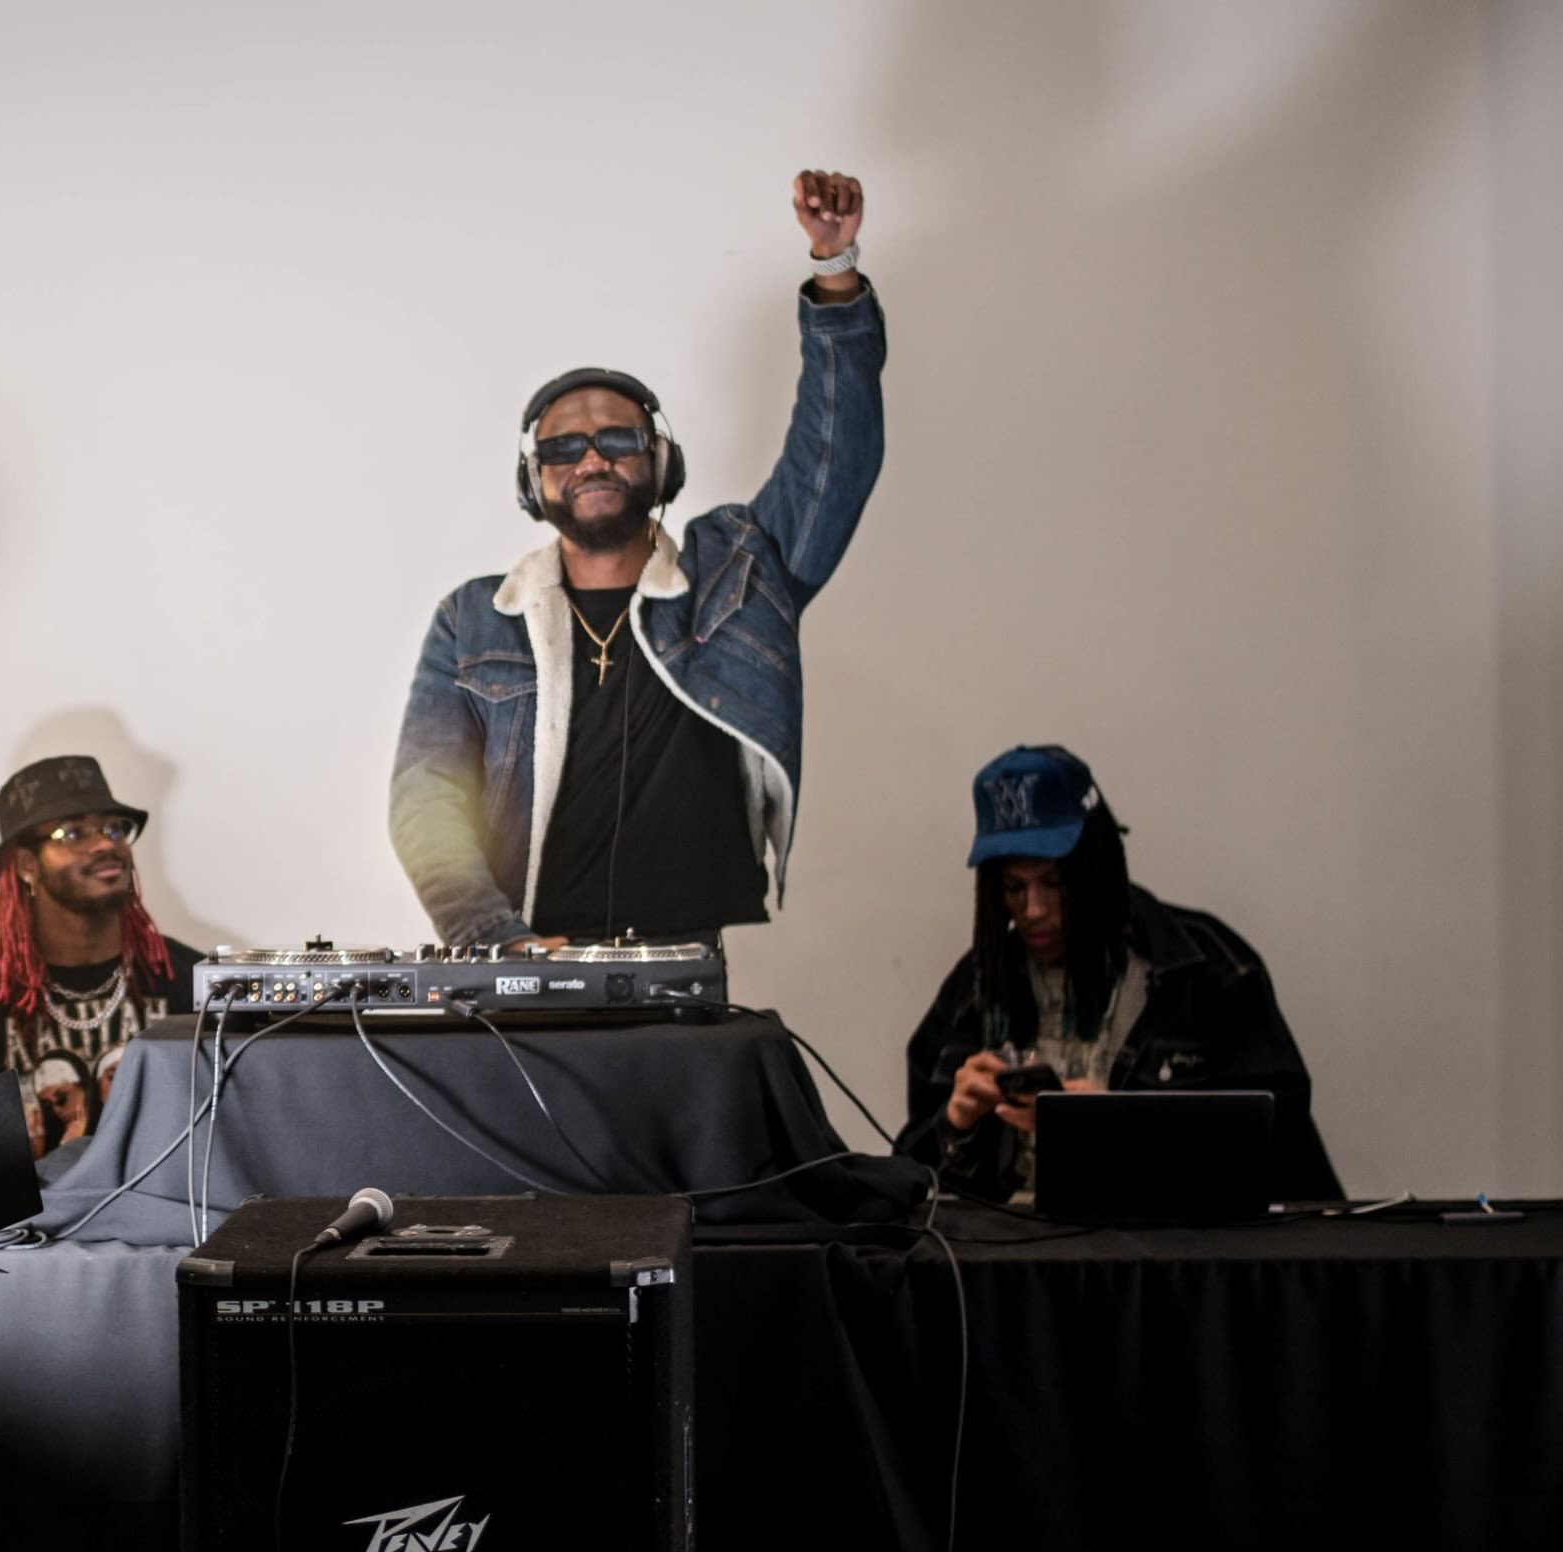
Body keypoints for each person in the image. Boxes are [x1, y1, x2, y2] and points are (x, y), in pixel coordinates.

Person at [390, 170, 886, 953]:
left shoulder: (736, 580)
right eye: (562, 447)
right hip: (525, 972)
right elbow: (425, 797)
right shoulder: (474, 619)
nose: (590, 458)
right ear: (534, 480)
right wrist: (493, 937)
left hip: (684, 963)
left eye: (616, 440)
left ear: (659, 466)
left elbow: (833, 464)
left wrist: (835, 275)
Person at [899, 743, 1342, 1204]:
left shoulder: (1205, 971)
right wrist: (956, 1129)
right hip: (1011, 1263)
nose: (1032, 910)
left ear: (1095, 866)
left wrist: (1122, 1125)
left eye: (1054, 883)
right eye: (1013, 887)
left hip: (1162, 1264)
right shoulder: (972, 990)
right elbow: (908, 1182)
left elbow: (1281, 1145)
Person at [0, 754, 204, 1153]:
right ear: (25, 864)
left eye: (115, 829)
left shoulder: (194, 981)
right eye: (72, 834)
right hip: (28, 1217)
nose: (106, 843)